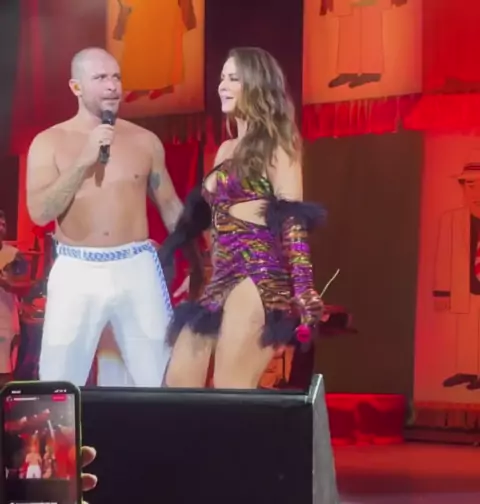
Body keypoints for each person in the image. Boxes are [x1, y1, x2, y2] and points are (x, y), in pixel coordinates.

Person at [165, 47, 325, 389]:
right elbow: (215, 222)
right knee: (180, 379)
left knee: (231, 387)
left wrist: (304, 288)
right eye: (222, 78)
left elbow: (292, 221)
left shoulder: (277, 145)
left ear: (256, 85)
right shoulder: (225, 149)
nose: (222, 86)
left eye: (234, 79)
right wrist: (198, 270)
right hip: (221, 273)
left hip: (258, 272)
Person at [26, 47, 185, 387]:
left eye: (116, 77)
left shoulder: (145, 141)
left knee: (159, 376)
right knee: (58, 380)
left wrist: (205, 263)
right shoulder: (49, 141)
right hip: (76, 268)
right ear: (76, 87)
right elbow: (39, 213)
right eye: (100, 78)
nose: (112, 86)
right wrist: (83, 160)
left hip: (136, 266)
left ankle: (158, 426)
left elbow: (171, 207)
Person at [0, 210, 26, 385]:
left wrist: (8, 284)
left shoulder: (14, 255)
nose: (1, 227)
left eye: (3, 224)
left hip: (4, 322)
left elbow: (27, 285)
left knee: (3, 373)